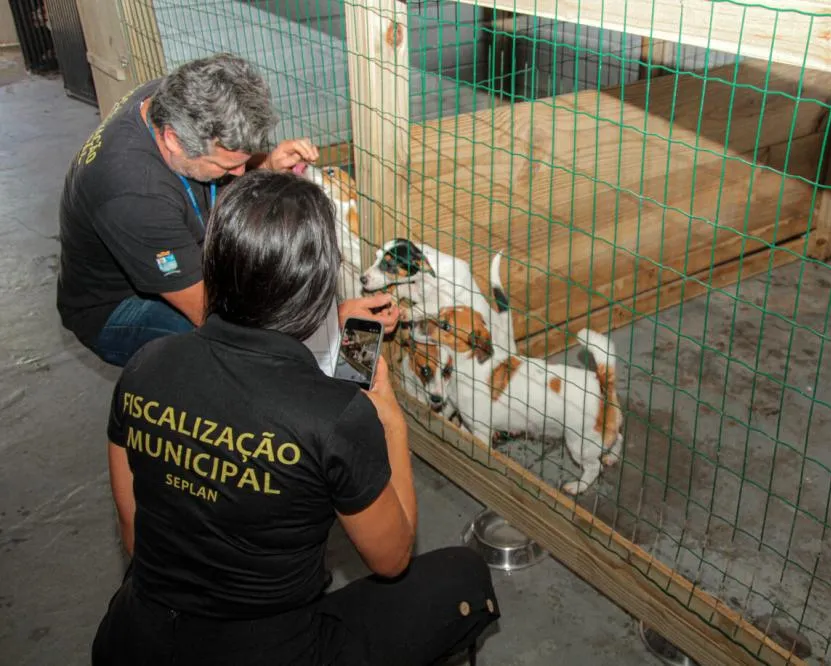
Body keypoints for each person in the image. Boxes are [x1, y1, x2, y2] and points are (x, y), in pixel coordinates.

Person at [92, 170, 499, 666]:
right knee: (464, 573)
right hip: (269, 651)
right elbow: (392, 559)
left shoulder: (144, 367)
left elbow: (135, 538)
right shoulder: (334, 415)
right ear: (316, 286)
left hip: (133, 642)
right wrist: (388, 415)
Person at [56, 52, 397, 368]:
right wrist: (332, 320)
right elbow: (214, 317)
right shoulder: (136, 197)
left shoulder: (176, 98)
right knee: (239, 359)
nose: (240, 174)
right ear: (174, 140)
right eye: (227, 165)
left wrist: (267, 164)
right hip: (118, 306)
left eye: (244, 161)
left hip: (170, 248)